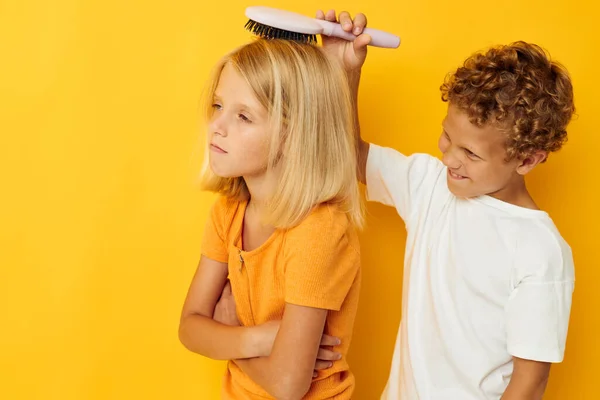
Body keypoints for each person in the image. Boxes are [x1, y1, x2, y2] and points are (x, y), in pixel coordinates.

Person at [317, 9, 575, 399]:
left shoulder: (540, 251)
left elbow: (530, 380)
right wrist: (345, 72)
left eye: (470, 153)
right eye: (446, 136)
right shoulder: (430, 185)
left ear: (527, 159)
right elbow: (352, 155)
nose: (449, 157)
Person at [178, 38, 363, 399]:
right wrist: (261, 338)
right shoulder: (228, 212)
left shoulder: (317, 231)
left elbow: (287, 386)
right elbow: (189, 327)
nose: (217, 124)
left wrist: (229, 332)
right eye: (218, 105)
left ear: (293, 136)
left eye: (243, 116)